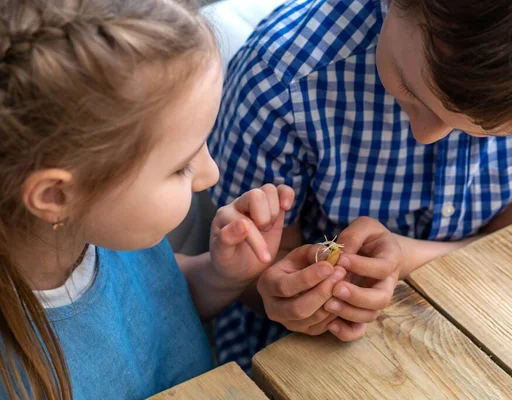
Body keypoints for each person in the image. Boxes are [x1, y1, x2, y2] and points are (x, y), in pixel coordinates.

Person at [209, 0, 512, 374]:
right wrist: (291, 294)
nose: (426, 134)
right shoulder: (281, 83)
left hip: (478, 328)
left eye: (484, 134)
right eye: (412, 91)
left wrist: (408, 258)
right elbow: (244, 272)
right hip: (284, 354)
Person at [0, 0, 304, 398]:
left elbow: (155, 307)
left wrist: (220, 275)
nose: (209, 175)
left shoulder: (109, 234)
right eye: (180, 166)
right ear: (56, 195)